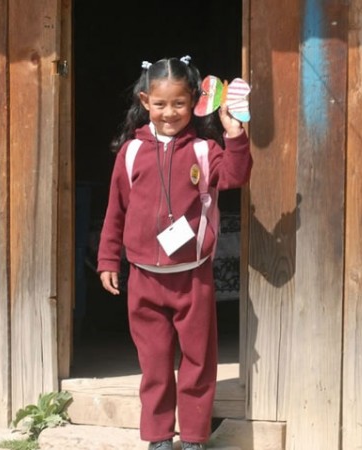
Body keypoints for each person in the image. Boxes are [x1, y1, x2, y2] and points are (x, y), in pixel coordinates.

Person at [97, 56, 252, 450]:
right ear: (145, 101)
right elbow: (115, 210)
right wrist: (107, 260)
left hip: (192, 276)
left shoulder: (203, 150)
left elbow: (235, 176)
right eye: (161, 104)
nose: (170, 113)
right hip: (144, 279)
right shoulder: (131, 153)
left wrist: (233, 134)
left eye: (179, 104)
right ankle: (159, 437)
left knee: (198, 361)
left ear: (194, 103)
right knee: (155, 364)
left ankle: (196, 437)